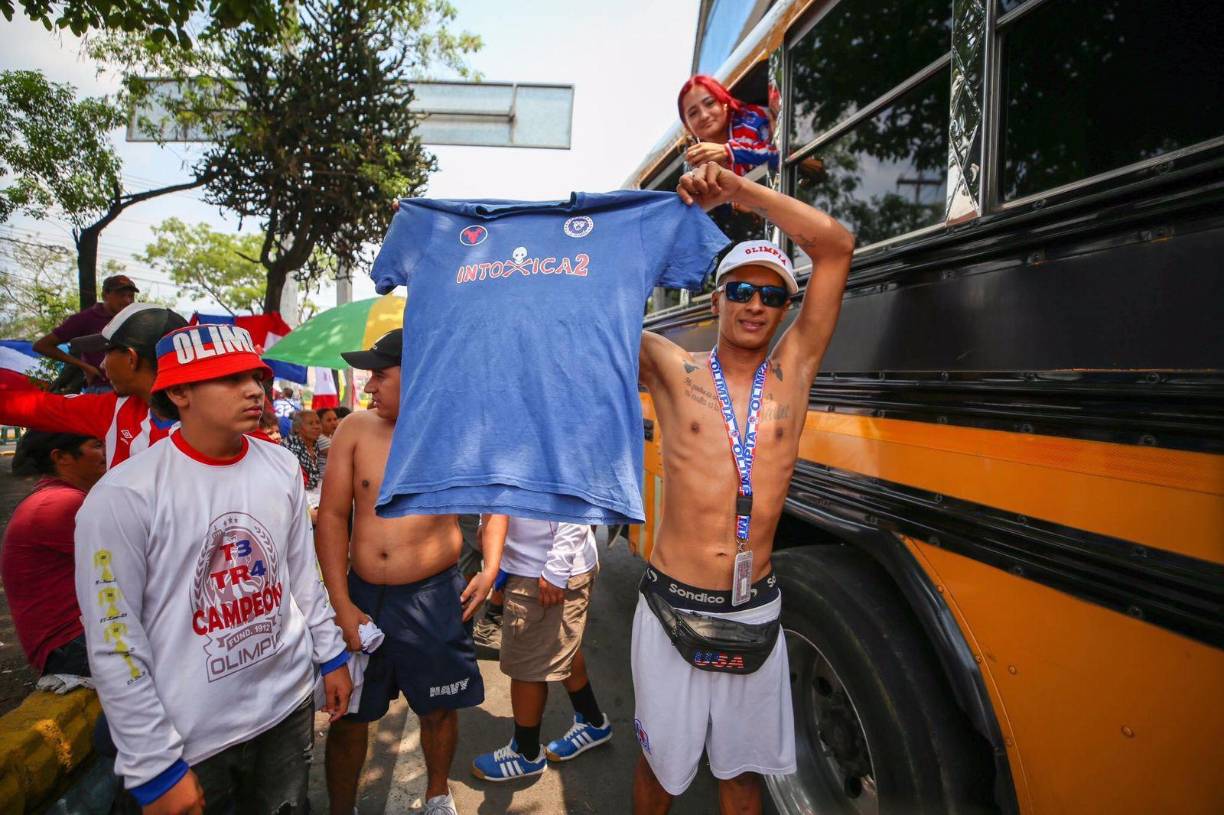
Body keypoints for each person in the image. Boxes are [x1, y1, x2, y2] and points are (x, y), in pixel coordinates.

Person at [632, 162, 854, 814]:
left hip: (753, 607)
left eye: (773, 294)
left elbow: (836, 245)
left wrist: (740, 192)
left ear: (786, 307)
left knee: (743, 777)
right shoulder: (671, 366)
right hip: (671, 603)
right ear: (718, 297)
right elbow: (595, 315)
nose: (757, 303)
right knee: (659, 771)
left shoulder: (793, 372)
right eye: (742, 289)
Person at [73, 323, 352, 814]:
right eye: (229, 378)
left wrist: (330, 656)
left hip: (286, 708)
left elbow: (300, 575)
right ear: (179, 391)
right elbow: (116, 639)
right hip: (192, 737)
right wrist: (154, 766)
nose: (253, 390)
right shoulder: (123, 497)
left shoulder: (280, 467)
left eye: (256, 377)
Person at [317, 329, 501, 815]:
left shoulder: (458, 429)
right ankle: (342, 809)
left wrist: (491, 567)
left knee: (438, 708)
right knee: (349, 715)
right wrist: (341, 603)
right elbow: (333, 515)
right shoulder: (354, 430)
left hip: (434, 595)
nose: (369, 386)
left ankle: (438, 793)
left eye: (380, 374)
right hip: (364, 598)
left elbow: (494, 499)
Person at [471, 516, 609, 781]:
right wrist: (485, 526)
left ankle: (526, 754)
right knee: (560, 646)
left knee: (526, 665)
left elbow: (575, 499)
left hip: (543, 568)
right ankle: (593, 722)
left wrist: (556, 570)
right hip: (532, 561)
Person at [0, 303, 188, 469]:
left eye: (107, 353)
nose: (102, 364)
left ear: (131, 358)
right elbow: (30, 407)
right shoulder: (115, 409)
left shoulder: (210, 423)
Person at [1, 432, 106, 676]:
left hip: (74, 640)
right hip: (69, 644)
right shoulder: (62, 504)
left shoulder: (56, 497)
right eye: (97, 445)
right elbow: (133, 564)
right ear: (61, 457)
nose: (105, 453)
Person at [32, 274, 139, 393]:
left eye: (131, 296)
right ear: (105, 295)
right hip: (101, 390)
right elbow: (41, 345)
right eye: (121, 295)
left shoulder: (132, 319)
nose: (127, 300)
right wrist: (84, 366)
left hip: (131, 389)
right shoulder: (85, 318)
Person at [678, 75, 778, 178]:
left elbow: (782, 157)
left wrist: (730, 151)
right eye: (693, 113)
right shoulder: (695, 163)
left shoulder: (752, 120)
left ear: (724, 102)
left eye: (709, 103)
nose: (704, 115)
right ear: (687, 126)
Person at [283, 409, 324, 490]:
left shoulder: (314, 444)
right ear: (297, 428)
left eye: (318, 422)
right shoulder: (291, 445)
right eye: (310, 423)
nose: (316, 427)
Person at [316, 407, 339, 472]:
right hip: (324, 479)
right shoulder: (320, 438)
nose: (334, 423)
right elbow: (340, 456)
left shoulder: (330, 437)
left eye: (335, 419)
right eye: (329, 420)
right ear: (319, 423)